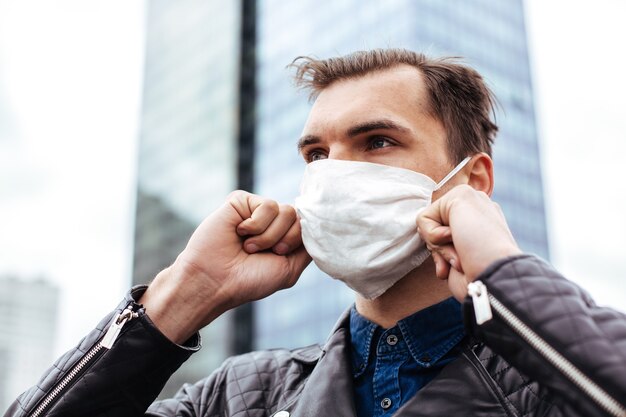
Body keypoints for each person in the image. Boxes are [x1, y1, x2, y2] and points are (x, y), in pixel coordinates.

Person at [5, 49, 626, 417]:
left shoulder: (551, 385)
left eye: (376, 141)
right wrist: (184, 294)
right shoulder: (236, 398)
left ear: (473, 181)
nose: (334, 174)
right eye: (315, 153)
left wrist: (505, 280)